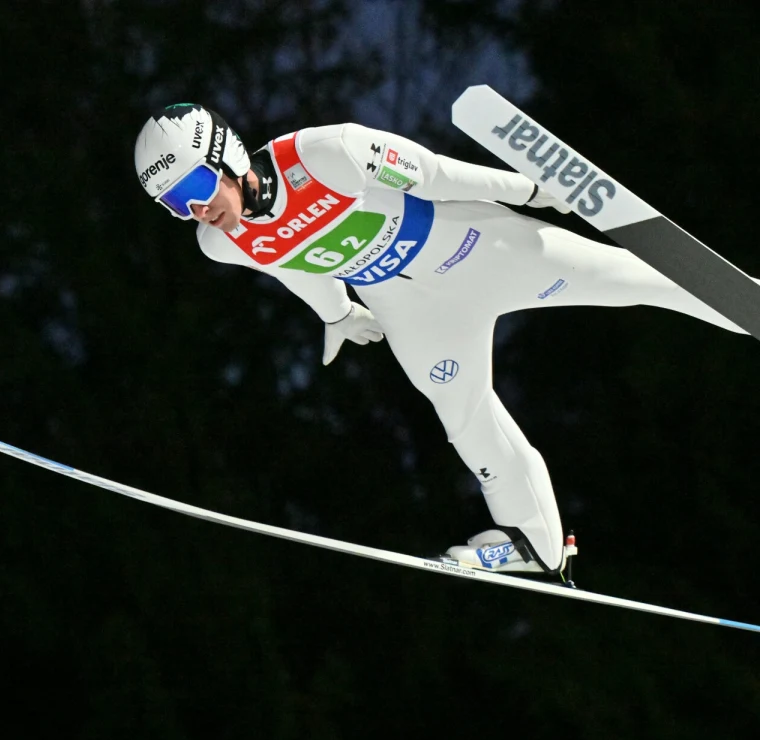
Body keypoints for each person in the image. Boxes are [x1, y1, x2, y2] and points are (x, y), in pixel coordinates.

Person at [133, 102, 750, 577]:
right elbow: (291, 262)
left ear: (227, 158)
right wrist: (336, 314)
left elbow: (437, 175)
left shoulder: (325, 153)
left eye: (193, 192)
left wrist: (528, 190)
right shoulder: (221, 241)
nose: (194, 213)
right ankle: (533, 541)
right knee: (465, 417)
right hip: (414, 312)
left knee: (631, 280)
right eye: (172, 206)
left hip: (479, 251)